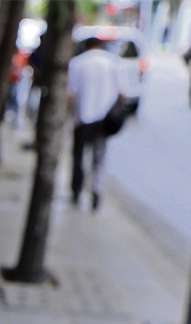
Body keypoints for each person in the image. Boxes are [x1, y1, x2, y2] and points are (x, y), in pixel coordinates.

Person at [67, 36, 122, 211]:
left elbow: (71, 94)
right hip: (103, 119)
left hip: (82, 118)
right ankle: (96, 192)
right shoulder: (112, 62)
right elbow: (122, 93)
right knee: (99, 158)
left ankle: (77, 189)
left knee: (79, 156)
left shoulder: (77, 63)